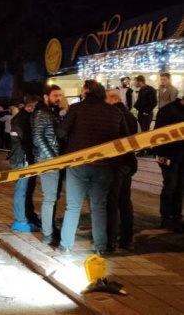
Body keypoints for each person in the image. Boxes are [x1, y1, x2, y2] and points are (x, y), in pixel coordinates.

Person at [56, 80, 129, 255]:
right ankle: (100, 247)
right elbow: (125, 138)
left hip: (78, 163)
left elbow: (61, 132)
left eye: (83, 90)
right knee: (99, 207)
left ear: (87, 91)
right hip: (105, 165)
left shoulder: (77, 109)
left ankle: (66, 245)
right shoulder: (115, 112)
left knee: (73, 206)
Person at [105, 89, 139, 251]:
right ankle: (127, 237)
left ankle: (112, 239)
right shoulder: (130, 115)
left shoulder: (114, 114)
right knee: (125, 201)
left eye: (105, 98)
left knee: (112, 201)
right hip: (128, 163)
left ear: (113, 98)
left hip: (116, 163)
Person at [32, 84, 64, 246]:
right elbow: (38, 138)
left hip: (56, 160)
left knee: (54, 197)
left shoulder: (52, 112)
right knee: (49, 198)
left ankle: (50, 229)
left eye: (60, 95)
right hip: (48, 161)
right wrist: (52, 158)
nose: (59, 98)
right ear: (46, 96)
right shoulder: (41, 113)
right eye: (55, 95)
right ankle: (47, 234)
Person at [152, 94, 184, 232]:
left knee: (180, 186)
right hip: (169, 155)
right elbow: (159, 133)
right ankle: (166, 217)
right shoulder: (168, 110)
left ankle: (177, 216)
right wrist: (161, 153)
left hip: (182, 155)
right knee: (170, 186)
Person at [10, 95, 40, 232]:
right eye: (35, 106)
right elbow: (26, 138)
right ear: (29, 106)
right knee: (21, 190)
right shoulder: (21, 119)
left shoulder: (24, 117)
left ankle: (26, 217)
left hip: (24, 157)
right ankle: (20, 221)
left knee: (26, 190)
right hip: (22, 158)